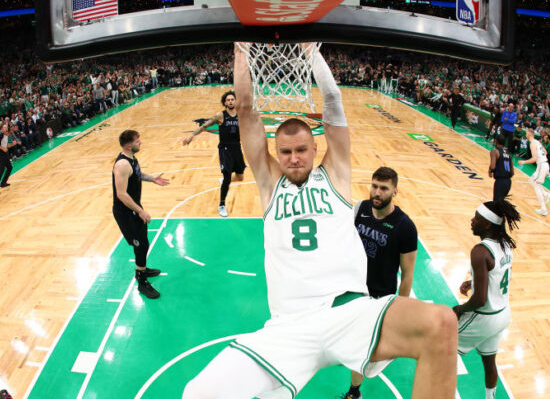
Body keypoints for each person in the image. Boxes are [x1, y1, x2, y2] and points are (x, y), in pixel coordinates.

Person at [182, 43, 458, 399]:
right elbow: (247, 111)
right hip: (289, 326)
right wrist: (240, 53)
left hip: (349, 312)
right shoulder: (269, 183)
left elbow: (333, 103)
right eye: (285, 152)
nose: (294, 158)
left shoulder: (336, 175)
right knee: (198, 392)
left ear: (315, 149)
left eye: (301, 150)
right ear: (275, 153)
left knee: (442, 323)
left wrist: (313, 56)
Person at [342, 166, 417, 399]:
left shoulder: (405, 227)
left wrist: (399, 313)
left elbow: (407, 274)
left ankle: (354, 392)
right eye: (374, 186)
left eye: (383, 188)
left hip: (379, 298)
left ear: (395, 191)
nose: (376, 192)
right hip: (352, 290)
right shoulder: (361, 209)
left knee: (362, 351)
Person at [455, 200, 520, 399]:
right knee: (489, 362)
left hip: (485, 316)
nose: (472, 221)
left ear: (488, 224)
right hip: (503, 315)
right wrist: (473, 281)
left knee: (438, 347)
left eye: (477, 218)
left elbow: (480, 299)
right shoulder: (505, 246)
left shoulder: (480, 251)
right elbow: (495, 274)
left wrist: (460, 309)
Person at [112, 130, 170, 299]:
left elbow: (136, 175)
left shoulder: (132, 159)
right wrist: (140, 211)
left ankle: (142, 268)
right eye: (138, 141)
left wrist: (152, 178)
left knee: (144, 242)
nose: (140, 143)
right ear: (129, 145)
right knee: (140, 245)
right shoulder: (122, 165)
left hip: (134, 209)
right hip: (125, 212)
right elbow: (121, 194)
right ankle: (141, 280)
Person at [182, 91, 246, 217]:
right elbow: (204, 125)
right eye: (228, 100)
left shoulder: (240, 115)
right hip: (225, 149)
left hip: (237, 148)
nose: (231, 101)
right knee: (227, 177)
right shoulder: (220, 116)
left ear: (236, 101)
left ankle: (224, 181)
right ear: (225, 102)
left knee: (240, 177)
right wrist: (192, 135)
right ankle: (222, 204)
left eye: (232, 99)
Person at [518, 129, 550, 216]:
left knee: (536, 185)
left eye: (526, 133)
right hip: (544, 164)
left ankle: (543, 208)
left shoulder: (533, 143)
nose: (525, 134)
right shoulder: (537, 142)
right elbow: (545, 152)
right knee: (531, 181)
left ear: (529, 134)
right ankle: (546, 194)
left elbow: (534, 159)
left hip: (542, 165)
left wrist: (524, 162)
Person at [0, 125, 17, 194]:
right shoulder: (0, 135)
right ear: (2, 129)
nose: (6, 129)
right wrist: (2, 148)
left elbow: (7, 146)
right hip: (0, 153)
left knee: (9, 167)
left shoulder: (7, 136)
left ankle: (3, 183)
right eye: (4, 128)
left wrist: (13, 144)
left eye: (6, 128)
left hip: (5, 153)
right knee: (2, 169)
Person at [489, 135, 514, 202]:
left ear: (496, 141)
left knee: (496, 203)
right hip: (508, 182)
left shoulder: (494, 151)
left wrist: (490, 170)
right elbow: (512, 172)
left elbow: (493, 166)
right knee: (501, 203)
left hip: (500, 181)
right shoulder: (508, 153)